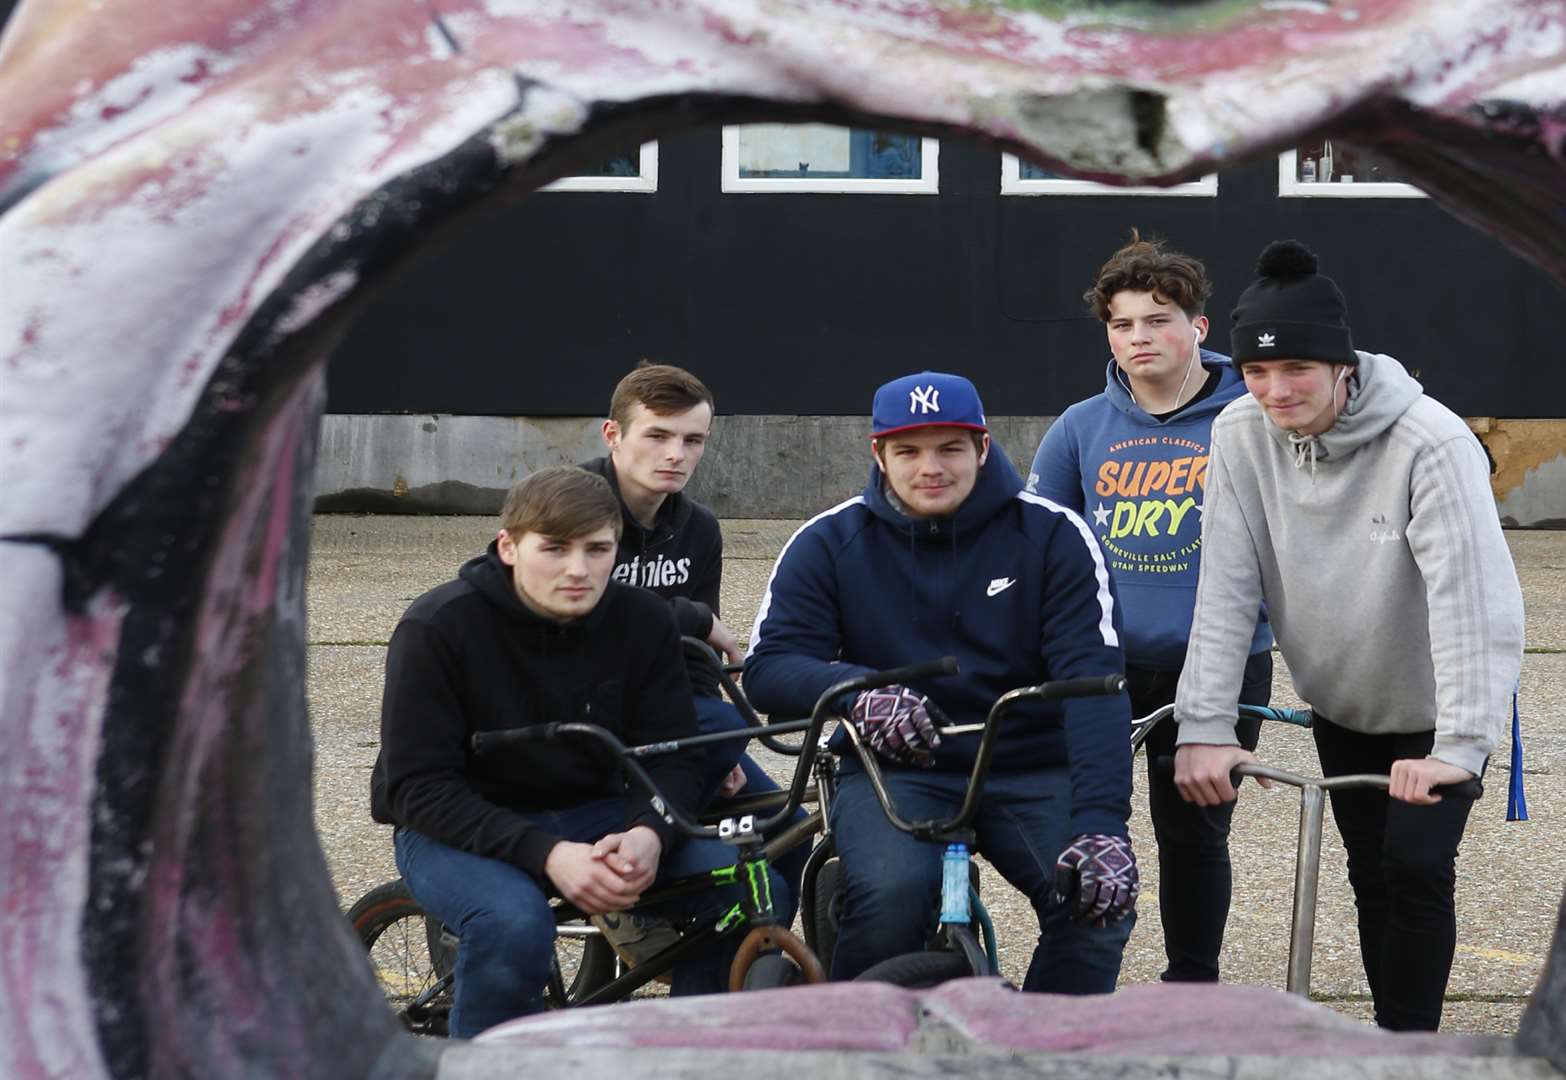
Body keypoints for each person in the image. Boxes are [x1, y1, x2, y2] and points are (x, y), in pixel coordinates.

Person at [1172, 240, 1524, 1031]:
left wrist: (1460, 747)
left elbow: (1472, 603)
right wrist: (1204, 725)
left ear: (1342, 366)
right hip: (1343, 694)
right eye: (1257, 371)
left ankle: (1410, 1049)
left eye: (1296, 368)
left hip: (1438, 700)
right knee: (1370, 873)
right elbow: (1227, 586)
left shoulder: (1427, 443)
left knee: (1416, 868)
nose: (1274, 389)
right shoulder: (1238, 435)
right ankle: (1392, 1044)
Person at [742, 371, 1139, 993]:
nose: (931, 467)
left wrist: (1102, 826)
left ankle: (1038, 1056)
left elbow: (1094, 687)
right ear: (878, 454)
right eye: (908, 450)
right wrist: (859, 691)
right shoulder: (829, 540)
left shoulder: (1055, 534)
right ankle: (857, 1051)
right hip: (893, 768)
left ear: (983, 447)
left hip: (1028, 761)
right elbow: (770, 666)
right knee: (891, 897)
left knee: (1096, 907)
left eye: (950, 448)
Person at [369, 466, 789, 1037]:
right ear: (508, 547)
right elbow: (416, 787)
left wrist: (649, 831)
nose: (578, 569)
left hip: (597, 809)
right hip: (457, 825)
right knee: (513, 924)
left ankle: (684, 1053)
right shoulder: (438, 627)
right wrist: (549, 854)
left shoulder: (641, 619)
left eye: (597, 550)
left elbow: (672, 752)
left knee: (748, 887)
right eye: (555, 549)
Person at [1027, 230, 1275, 984]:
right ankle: (1078, 973)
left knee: (1195, 835)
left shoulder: (1253, 419)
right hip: (1105, 667)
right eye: (1123, 323)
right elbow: (1042, 545)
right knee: (1086, 826)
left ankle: (1190, 982)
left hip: (1224, 664)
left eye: (1158, 319)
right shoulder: (1080, 428)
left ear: (1198, 327)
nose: (1140, 337)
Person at [579, 361, 809, 935]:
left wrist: (722, 747)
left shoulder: (699, 527)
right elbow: (566, 615)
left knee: (794, 831)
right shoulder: (572, 507)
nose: (675, 454)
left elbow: (695, 664)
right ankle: (641, 912)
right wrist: (697, 618)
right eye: (657, 436)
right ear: (614, 435)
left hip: (675, 712)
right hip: (587, 710)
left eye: (692, 440)